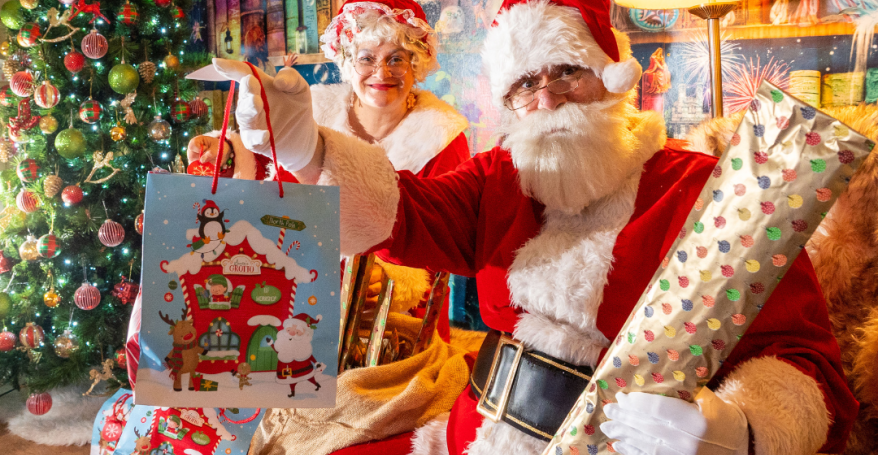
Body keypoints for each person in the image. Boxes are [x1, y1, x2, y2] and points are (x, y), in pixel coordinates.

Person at [214, 0, 857, 454]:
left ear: (611, 76)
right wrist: (307, 151)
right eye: (524, 84)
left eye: (565, 72)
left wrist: (738, 430)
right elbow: (407, 214)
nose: (544, 99)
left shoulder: (703, 191)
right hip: (471, 432)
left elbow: (805, 363)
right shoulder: (500, 175)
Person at [187, 0, 470, 341]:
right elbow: (266, 172)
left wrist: (389, 282)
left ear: (417, 63)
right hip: (291, 303)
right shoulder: (312, 110)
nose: (381, 73)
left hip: (392, 332)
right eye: (367, 58)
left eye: (396, 58)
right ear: (349, 62)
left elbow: (441, 245)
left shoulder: (442, 138)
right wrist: (228, 153)